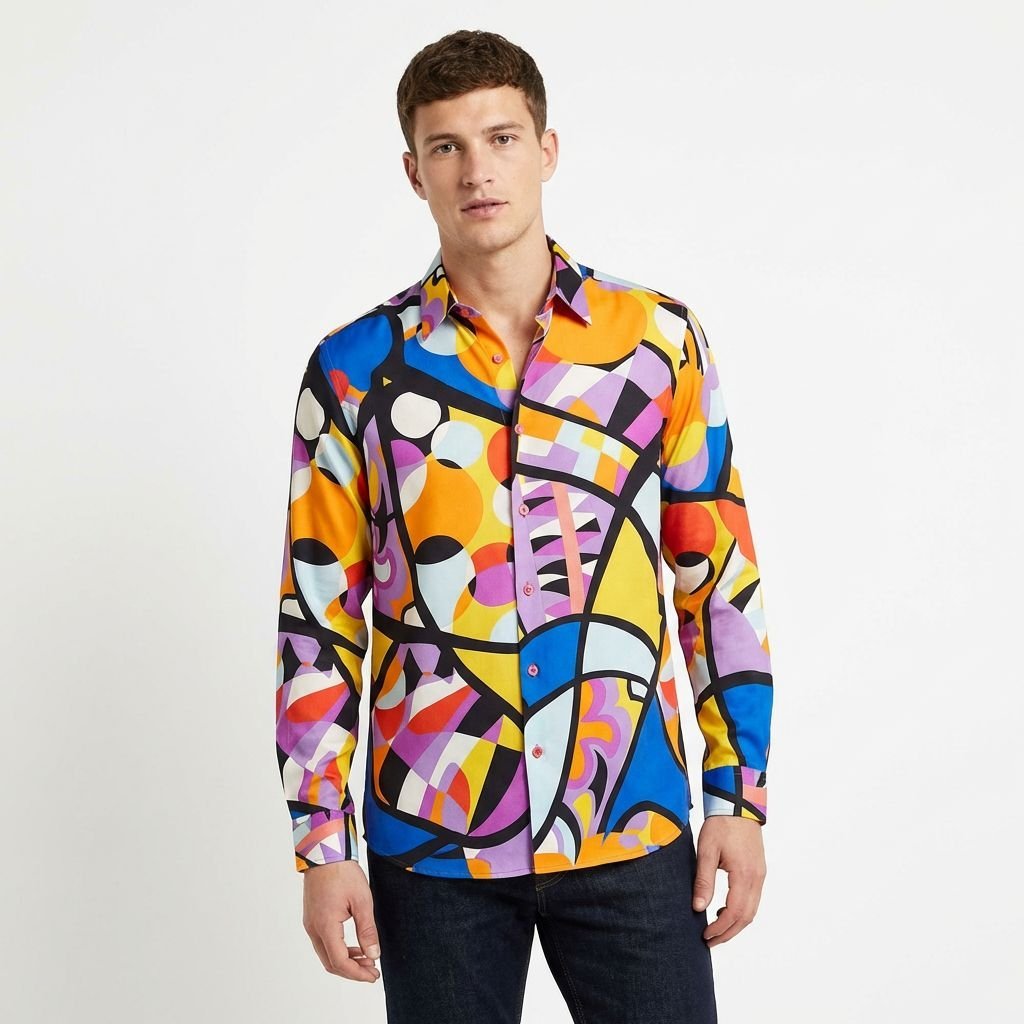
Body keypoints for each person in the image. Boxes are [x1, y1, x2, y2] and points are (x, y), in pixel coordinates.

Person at [275, 28, 773, 1024]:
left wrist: (738, 798)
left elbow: (715, 580)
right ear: (414, 171)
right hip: (433, 841)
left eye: (501, 139)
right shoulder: (353, 371)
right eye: (447, 147)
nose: (477, 171)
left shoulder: (657, 344)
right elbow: (318, 620)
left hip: (626, 818)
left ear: (546, 151)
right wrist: (322, 849)